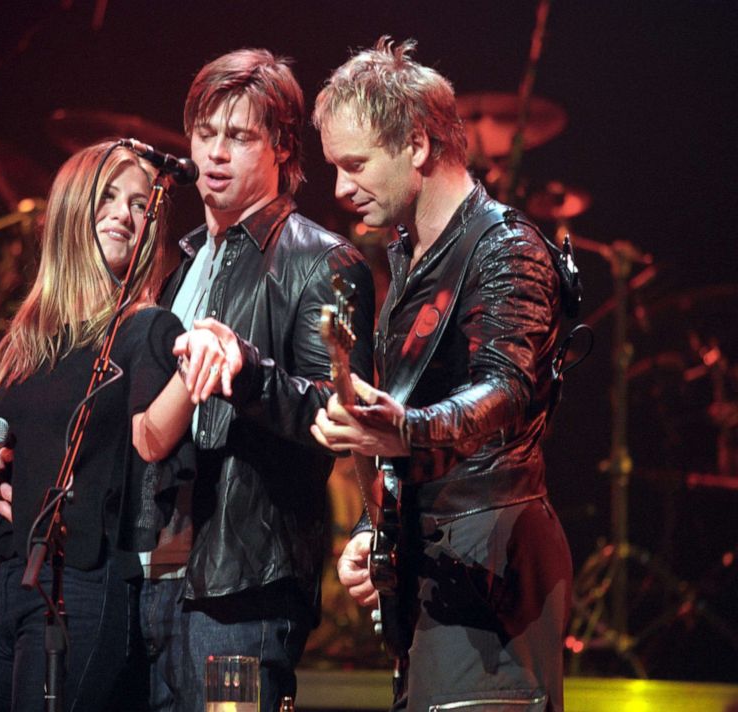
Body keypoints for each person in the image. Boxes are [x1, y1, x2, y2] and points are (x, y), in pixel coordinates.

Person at [310, 38, 573, 712]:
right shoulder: (409, 259)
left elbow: (507, 387)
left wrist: (405, 431)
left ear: (418, 146)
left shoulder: (505, 246)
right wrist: (376, 528)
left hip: (493, 568)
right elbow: (411, 417)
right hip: (439, 566)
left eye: (355, 164)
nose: (341, 187)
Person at [0, 141, 228, 712]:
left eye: (141, 205)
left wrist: (199, 369)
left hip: (79, 586)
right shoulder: (29, 337)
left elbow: (153, 438)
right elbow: (11, 445)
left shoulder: (147, 331)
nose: (124, 213)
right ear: (69, 211)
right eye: (108, 198)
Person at [139, 49, 376, 712]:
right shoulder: (181, 265)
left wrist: (246, 374)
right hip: (158, 578)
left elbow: (340, 414)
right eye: (205, 134)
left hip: (244, 585)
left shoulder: (321, 261)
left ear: (281, 147)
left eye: (239, 137)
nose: (215, 153)